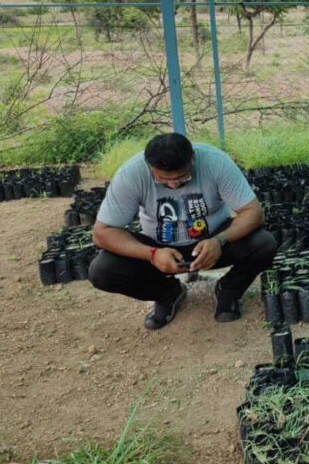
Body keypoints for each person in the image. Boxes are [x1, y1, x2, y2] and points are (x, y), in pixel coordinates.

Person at [89, 133, 277, 330]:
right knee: (102, 271)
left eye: (181, 177)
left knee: (264, 244)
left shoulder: (216, 162)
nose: (173, 184)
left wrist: (220, 240)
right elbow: (103, 232)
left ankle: (228, 290)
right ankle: (167, 293)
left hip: (212, 240)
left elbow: (253, 212)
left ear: (192, 160)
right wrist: (152, 254)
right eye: (162, 179)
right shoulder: (131, 174)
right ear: (150, 167)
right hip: (159, 247)